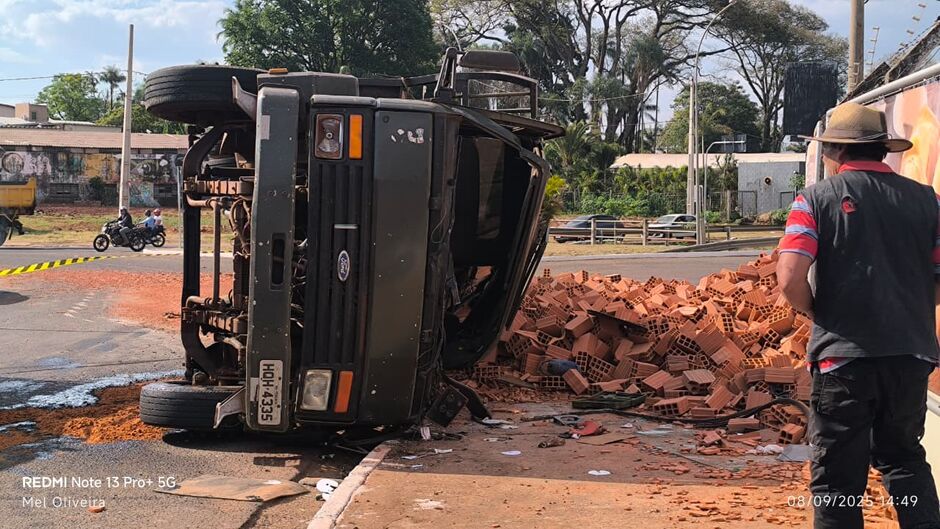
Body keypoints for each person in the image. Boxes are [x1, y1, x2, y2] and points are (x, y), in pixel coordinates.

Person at [776, 102, 940, 529]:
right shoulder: (929, 201)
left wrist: (817, 311)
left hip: (842, 362)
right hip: (910, 358)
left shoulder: (815, 199)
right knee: (904, 460)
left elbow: (789, 276)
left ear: (836, 152)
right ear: (883, 149)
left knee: (838, 480)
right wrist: (913, 308)